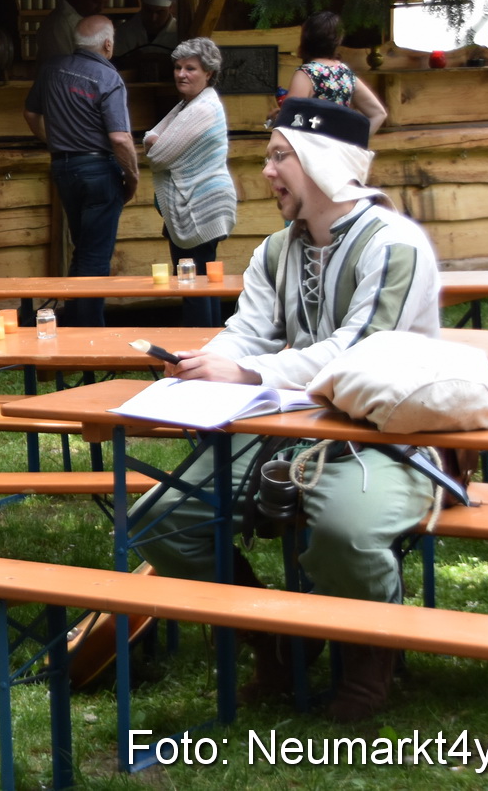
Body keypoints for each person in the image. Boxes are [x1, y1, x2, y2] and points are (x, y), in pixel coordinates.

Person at [132, 96, 441, 722]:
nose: (267, 172)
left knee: (344, 533)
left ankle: (367, 659)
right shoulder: (275, 250)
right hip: (286, 425)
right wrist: (204, 363)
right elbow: (247, 332)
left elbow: (361, 351)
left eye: (280, 157)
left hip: (381, 431)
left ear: (324, 162)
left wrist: (246, 371)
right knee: (161, 517)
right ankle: (274, 641)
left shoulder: (396, 245)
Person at [24, 15, 139, 328]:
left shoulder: (51, 68)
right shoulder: (108, 77)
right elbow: (120, 137)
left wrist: (51, 139)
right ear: (107, 44)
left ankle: (74, 322)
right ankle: (89, 331)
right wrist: (133, 176)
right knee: (95, 256)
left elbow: (31, 112)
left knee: (83, 249)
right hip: (99, 169)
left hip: (63, 167)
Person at [142, 37, 236, 326]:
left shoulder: (202, 108)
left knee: (194, 286)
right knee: (198, 284)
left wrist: (157, 142)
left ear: (208, 73)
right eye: (178, 67)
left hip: (200, 208)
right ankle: (205, 348)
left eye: (191, 68)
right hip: (192, 203)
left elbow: (157, 154)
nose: (181, 74)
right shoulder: (187, 105)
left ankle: (199, 350)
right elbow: (151, 138)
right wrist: (156, 141)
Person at [284, 10, 388, 132]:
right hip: (339, 149)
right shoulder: (345, 73)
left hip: (313, 149)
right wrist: (356, 143)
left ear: (306, 38)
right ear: (338, 39)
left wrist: (277, 116)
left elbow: (289, 118)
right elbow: (379, 113)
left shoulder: (307, 74)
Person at [35, 0, 117, 60]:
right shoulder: (58, 25)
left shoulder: (84, 19)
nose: (100, 9)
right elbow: (64, 69)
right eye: (95, 2)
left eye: (105, 3)